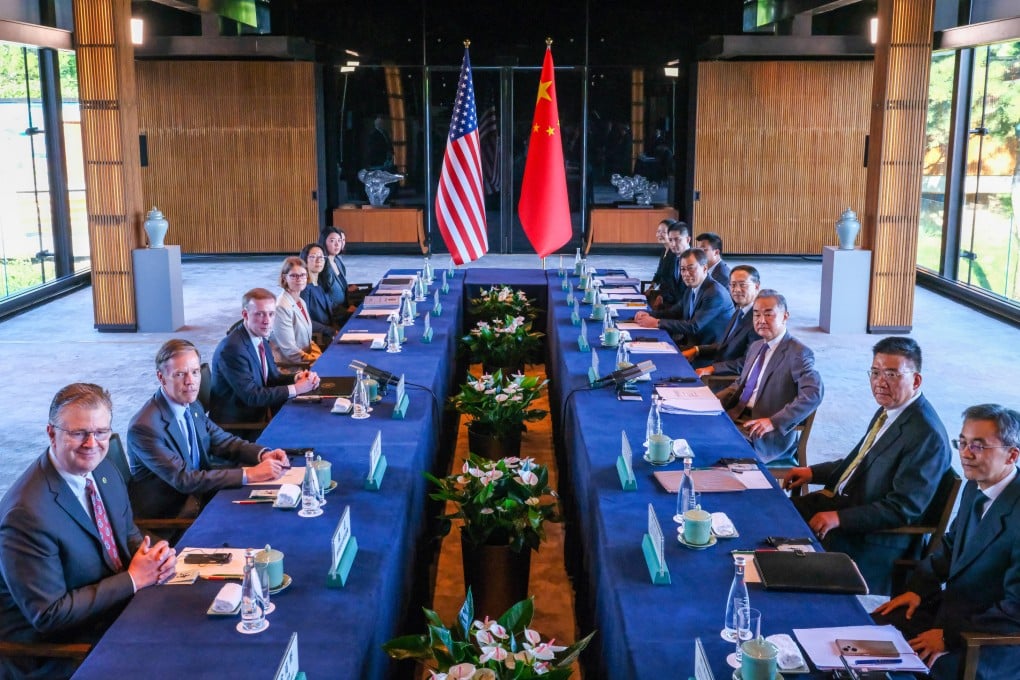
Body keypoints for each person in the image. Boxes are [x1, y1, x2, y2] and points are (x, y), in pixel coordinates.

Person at [0, 383, 176, 679]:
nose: (92, 443)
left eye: (101, 432)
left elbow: (125, 531)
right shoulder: (26, 515)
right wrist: (133, 579)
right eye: (78, 433)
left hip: (110, 608)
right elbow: (50, 615)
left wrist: (153, 554)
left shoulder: (102, 469)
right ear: (51, 433)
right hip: (61, 648)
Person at [785, 336, 951, 595]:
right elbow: (860, 460)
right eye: (875, 372)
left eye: (892, 374)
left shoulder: (926, 436)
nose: (879, 382)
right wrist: (813, 472)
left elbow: (903, 508)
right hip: (849, 504)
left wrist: (839, 518)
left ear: (916, 380)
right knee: (772, 512)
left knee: (783, 551)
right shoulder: (891, 409)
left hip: (877, 538)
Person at [872, 404, 1020, 679]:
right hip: (950, 612)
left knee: (909, 669)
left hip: (988, 642)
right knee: (873, 628)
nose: (965, 454)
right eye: (962, 442)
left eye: (978, 446)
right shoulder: (974, 485)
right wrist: (918, 589)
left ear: (1012, 455)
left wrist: (949, 637)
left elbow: (1015, 610)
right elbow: (950, 546)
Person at [126, 339, 291, 520]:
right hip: (174, 512)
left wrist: (262, 454)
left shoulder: (190, 404)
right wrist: (251, 473)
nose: (190, 381)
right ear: (161, 377)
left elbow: (222, 440)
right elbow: (185, 479)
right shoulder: (144, 428)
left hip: (204, 492)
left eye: (195, 372)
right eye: (180, 374)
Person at [716, 290, 823, 467]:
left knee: (713, 451)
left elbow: (813, 394)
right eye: (756, 314)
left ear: (785, 316)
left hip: (763, 432)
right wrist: (711, 400)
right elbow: (740, 385)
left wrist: (774, 422)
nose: (761, 320)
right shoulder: (757, 345)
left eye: (769, 314)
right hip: (735, 416)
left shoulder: (798, 353)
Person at [210, 288, 320, 437]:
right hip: (242, 427)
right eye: (259, 314)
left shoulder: (259, 336)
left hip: (262, 412)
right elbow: (252, 396)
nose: (267, 320)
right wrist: (296, 389)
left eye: (271, 314)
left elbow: (271, 377)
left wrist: (297, 377)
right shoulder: (232, 349)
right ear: (245, 314)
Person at [634, 248, 734, 346]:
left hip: (708, 352)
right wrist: (648, 314)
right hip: (691, 344)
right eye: (683, 269)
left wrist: (657, 323)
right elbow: (674, 312)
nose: (686, 274)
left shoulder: (715, 293)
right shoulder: (692, 287)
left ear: (704, 268)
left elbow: (694, 326)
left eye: (691, 268)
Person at [683, 264, 762, 375]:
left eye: (743, 285)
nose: (736, 290)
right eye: (733, 285)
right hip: (716, 366)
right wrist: (697, 350)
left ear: (757, 286)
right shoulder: (740, 311)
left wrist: (712, 369)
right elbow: (726, 345)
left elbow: (749, 362)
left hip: (729, 381)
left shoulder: (759, 320)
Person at [272, 256, 323, 366]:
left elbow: (308, 339)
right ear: (284, 278)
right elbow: (290, 352)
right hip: (292, 367)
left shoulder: (300, 301)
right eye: (294, 276)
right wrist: (318, 360)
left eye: (303, 275)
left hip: (306, 358)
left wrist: (318, 355)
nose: (299, 279)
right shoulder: (281, 307)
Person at [299, 242, 338, 342]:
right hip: (319, 337)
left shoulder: (320, 282)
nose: (318, 260)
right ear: (305, 260)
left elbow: (331, 306)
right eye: (313, 257)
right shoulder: (304, 288)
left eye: (321, 257)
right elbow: (304, 320)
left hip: (331, 329)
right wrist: (330, 331)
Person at [649, 220, 690, 310]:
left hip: (684, 312)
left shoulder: (693, 261)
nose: (673, 244)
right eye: (670, 240)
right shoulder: (674, 256)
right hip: (671, 306)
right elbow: (664, 278)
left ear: (687, 240)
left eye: (677, 240)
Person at [320, 227, 358, 322]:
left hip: (347, 304)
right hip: (336, 314)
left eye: (339, 241)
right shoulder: (323, 266)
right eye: (332, 241)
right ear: (324, 242)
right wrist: (345, 310)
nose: (337, 244)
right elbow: (324, 298)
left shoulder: (337, 260)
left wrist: (346, 288)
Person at [645, 218, 675, 306]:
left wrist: (662, 296)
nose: (659, 234)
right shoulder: (664, 251)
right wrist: (651, 287)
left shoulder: (675, 254)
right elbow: (658, 274)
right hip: (661, 294)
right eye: (658, 231)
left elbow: (671, 282)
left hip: (669, 298)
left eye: (663, 232)